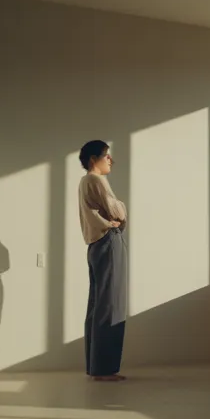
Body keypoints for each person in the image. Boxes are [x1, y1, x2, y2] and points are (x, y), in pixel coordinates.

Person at [77, 140, 128, 381]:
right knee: (110, 305)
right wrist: (121, 211)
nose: (110, 160)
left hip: (96, 245)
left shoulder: (85, 181)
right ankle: (105, 369)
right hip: (108, 241)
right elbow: (117, 210)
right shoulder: (96, 180)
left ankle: (96, 367)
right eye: (106, 156)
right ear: (92, 159)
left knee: (98, 304)